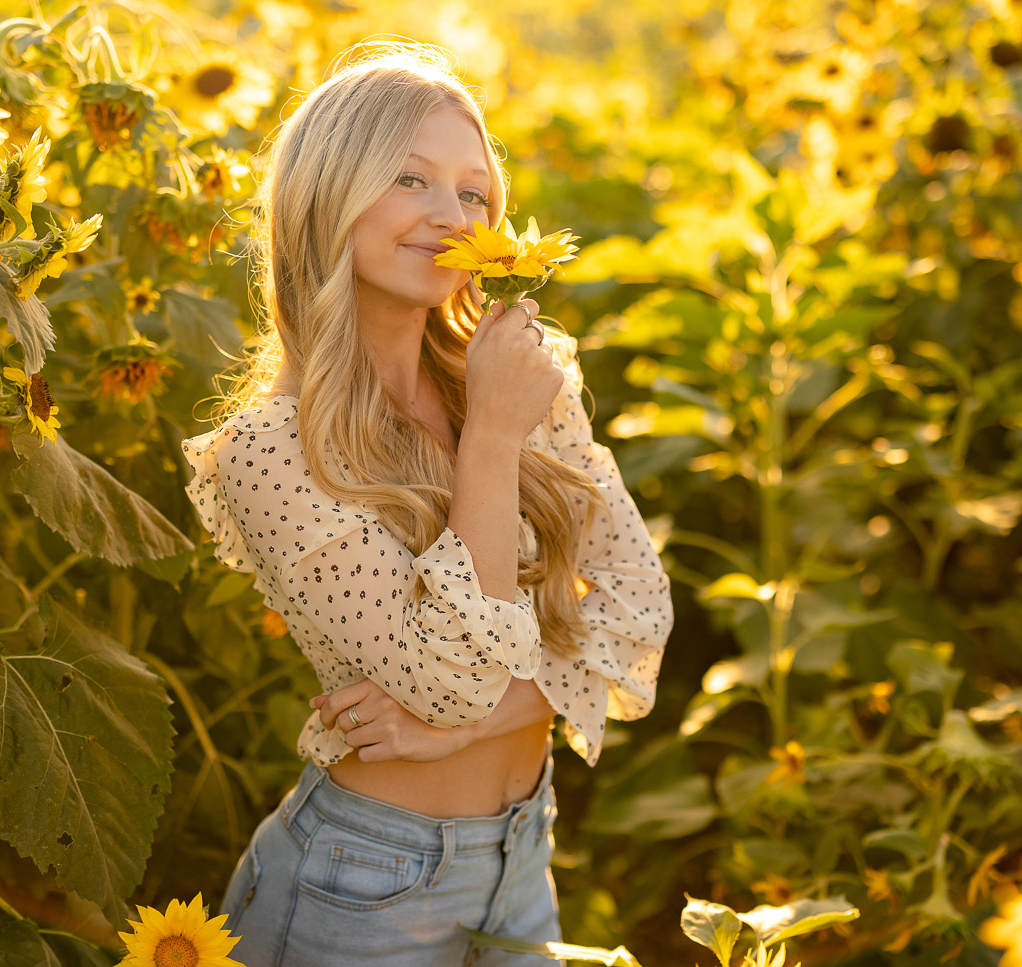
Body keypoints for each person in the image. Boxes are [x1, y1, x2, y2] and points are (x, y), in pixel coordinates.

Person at [181, 41, 673, 967]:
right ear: (328, 193)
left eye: (474, 193)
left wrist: (472, 724)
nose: (452, 216)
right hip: (359, 887)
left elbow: (639, 610)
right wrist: (488, 439)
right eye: (410, 179)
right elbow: (446, 677)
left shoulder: (521, 375)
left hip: (525, 859)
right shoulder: (269, 450)